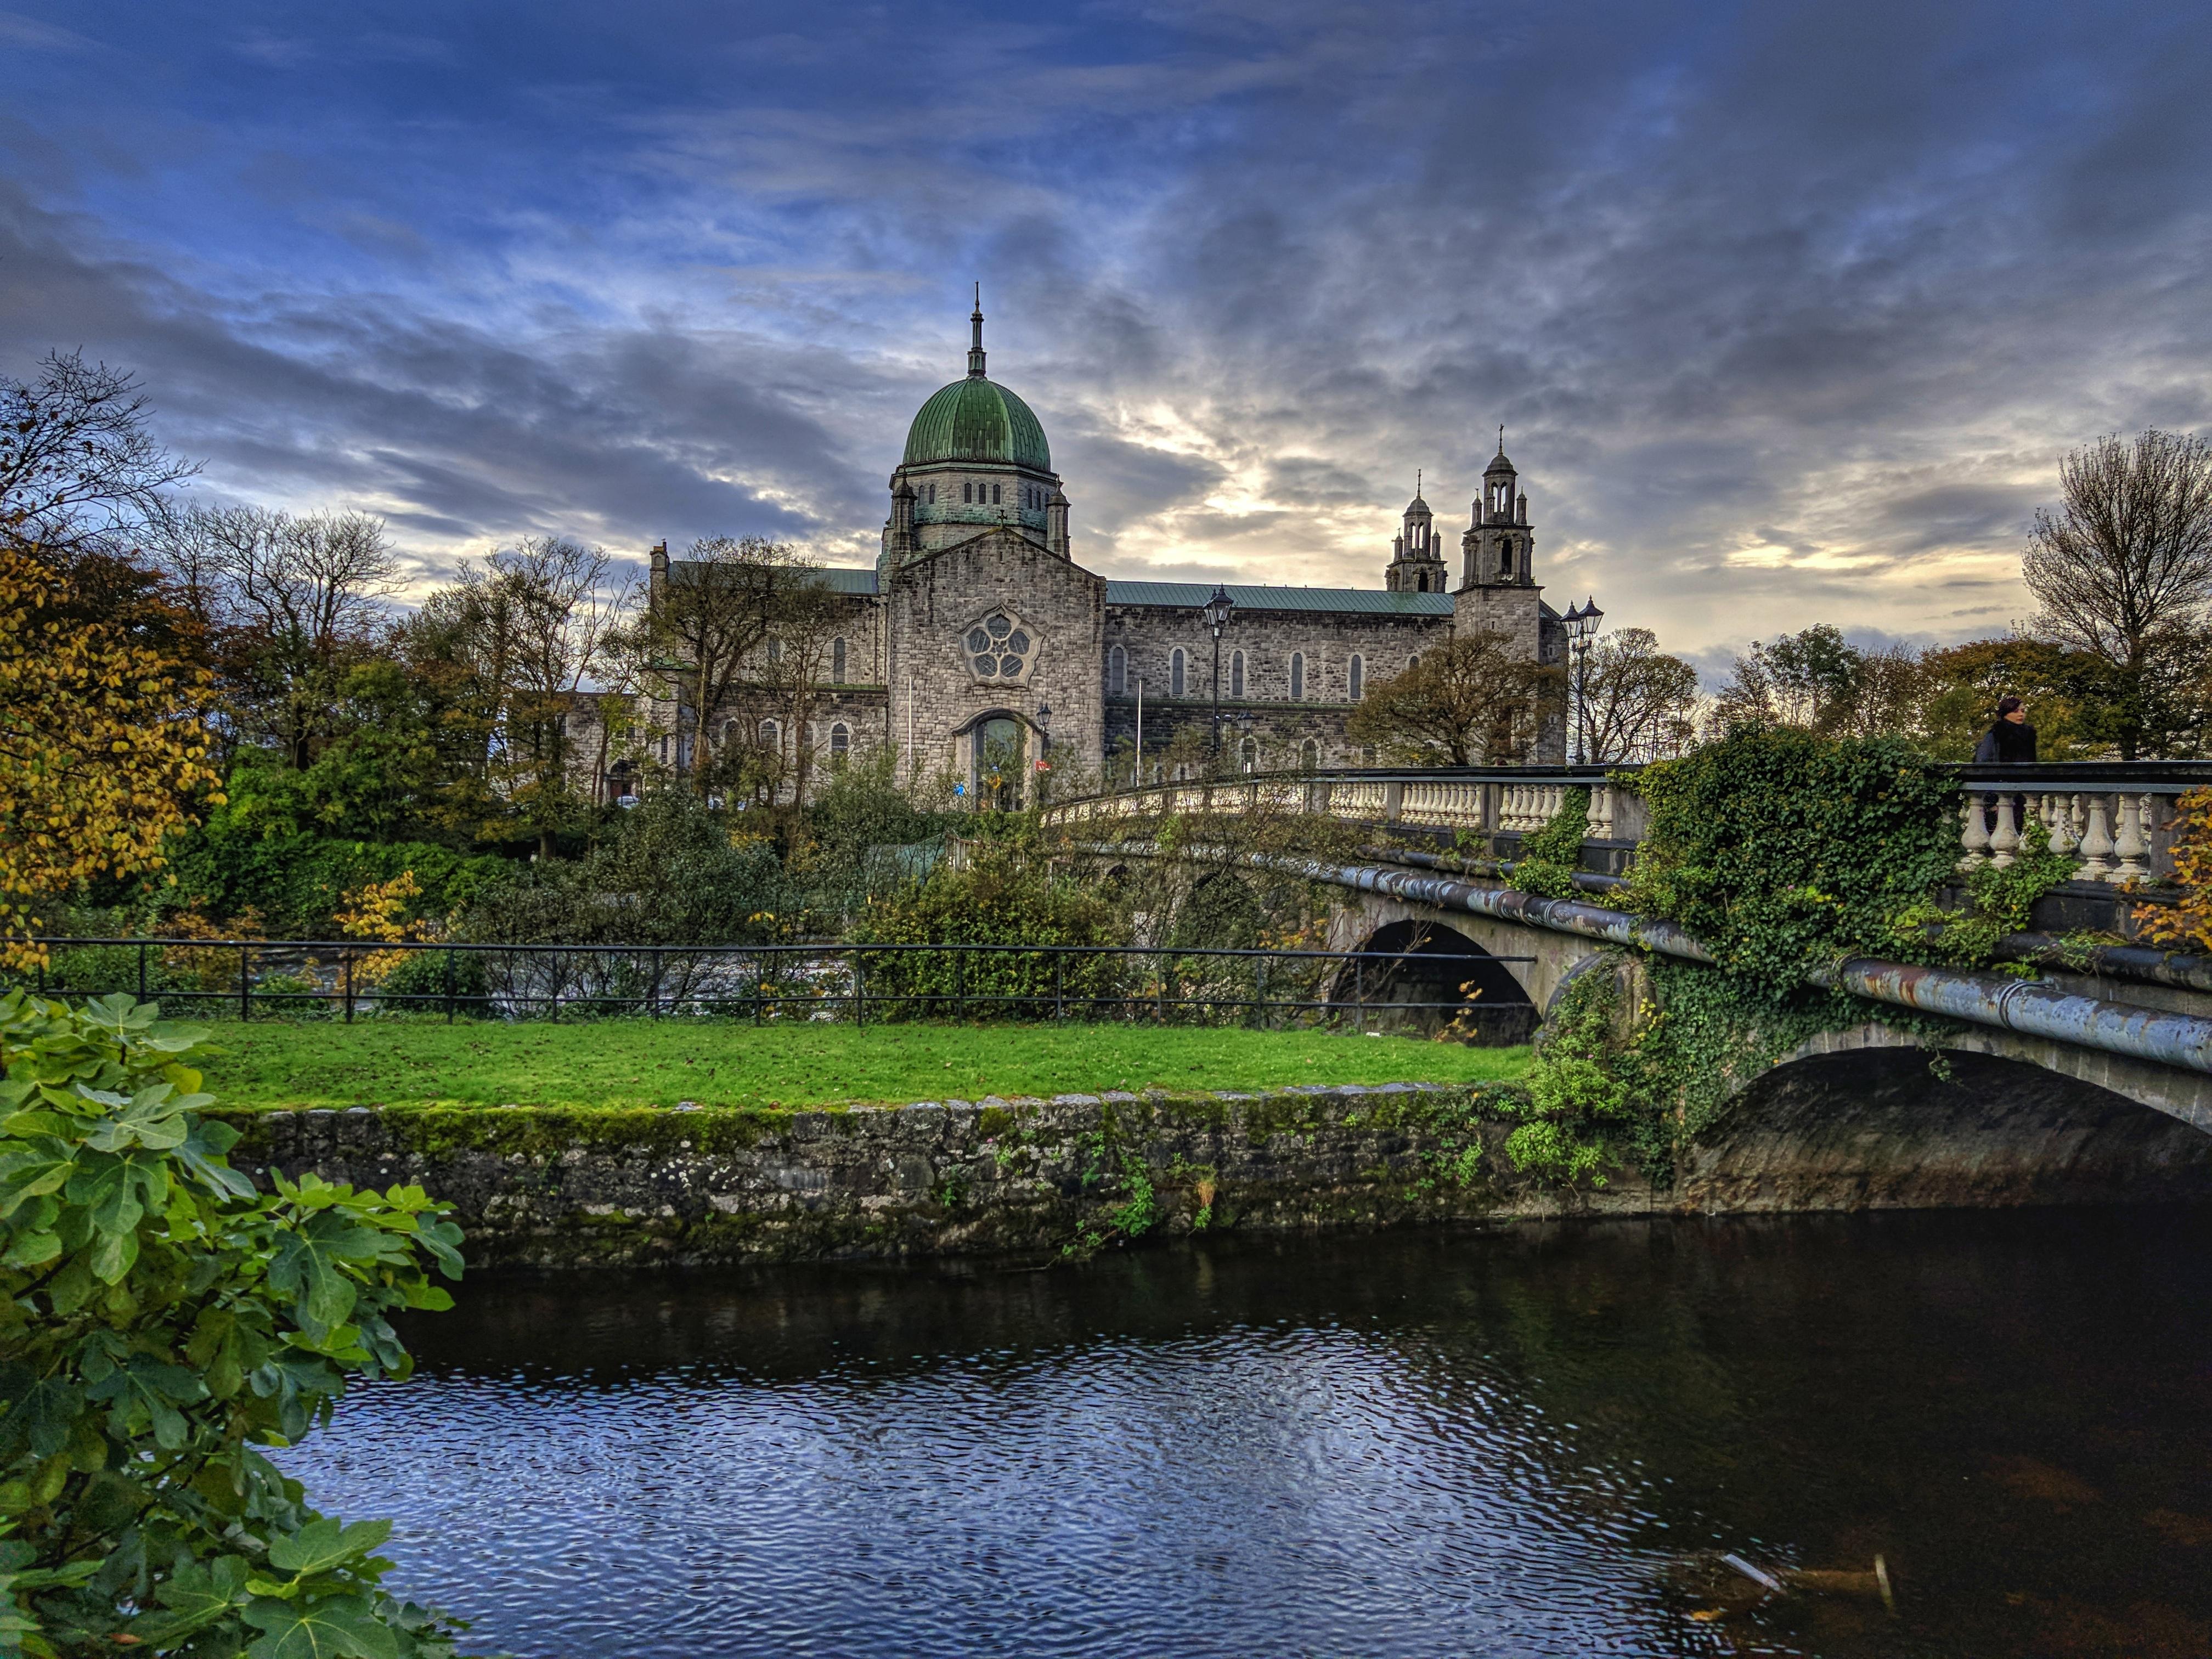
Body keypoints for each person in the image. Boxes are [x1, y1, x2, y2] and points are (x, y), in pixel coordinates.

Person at [1973, 695, 2038, 764]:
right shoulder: (1996, 734)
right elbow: (1983, 761)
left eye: (2023, 711)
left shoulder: (2029, 734)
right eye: (2016, 711)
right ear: (2005, 714)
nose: (2021, 714)